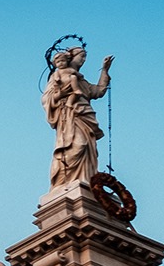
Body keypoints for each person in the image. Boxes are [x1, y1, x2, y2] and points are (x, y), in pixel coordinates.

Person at [42, 46, 112, 187]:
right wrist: (61, 94)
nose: (84, 60)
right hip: (69, 115)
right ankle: (63, 182)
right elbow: (46, 99)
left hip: (85, 115)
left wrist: (104, 70)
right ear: (72, 57)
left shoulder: (81, 81)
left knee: (87, 149)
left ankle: (86, 179)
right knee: (77, 145)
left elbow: (98, 91)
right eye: (82, 56)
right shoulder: (58, 77)